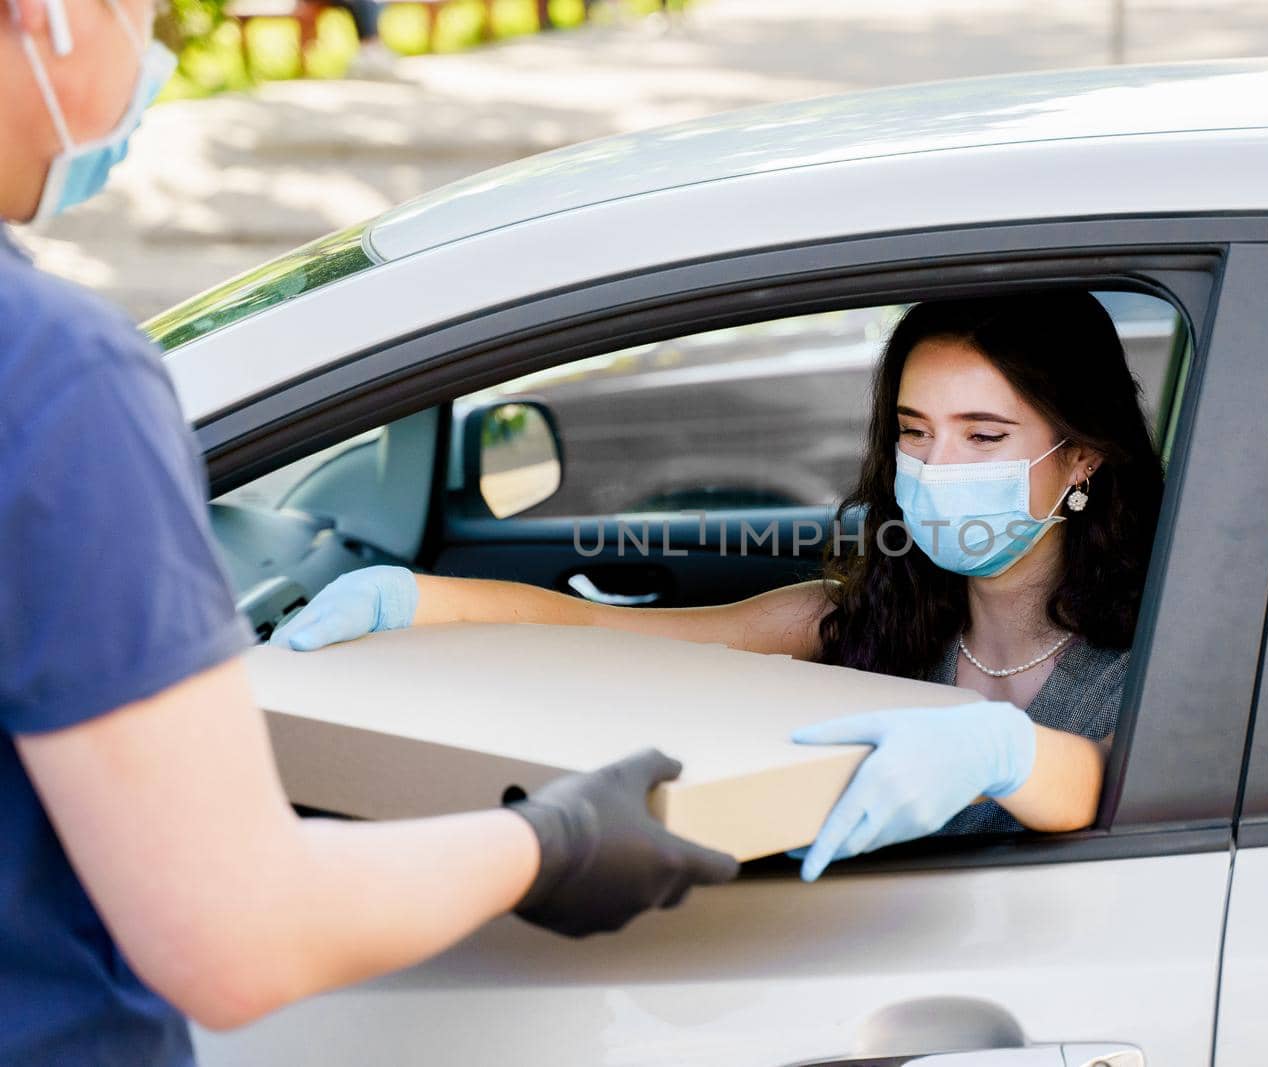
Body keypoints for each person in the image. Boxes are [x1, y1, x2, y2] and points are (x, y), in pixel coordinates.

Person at [0, 0, 736, 1061]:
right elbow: (235, 927)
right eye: (144, 10)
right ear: (51, 14)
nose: (154, 52)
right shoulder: (53, 378)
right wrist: (553, 839)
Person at [278, 292, 1166, 881]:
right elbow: (609, 634)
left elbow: (1104, 779)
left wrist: (1000, 750)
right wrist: (414, 600)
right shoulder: (853, 621)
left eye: (983, 437)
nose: (935, 467)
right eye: (915, 431)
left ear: (1081, 454)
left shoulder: (1160, 642)